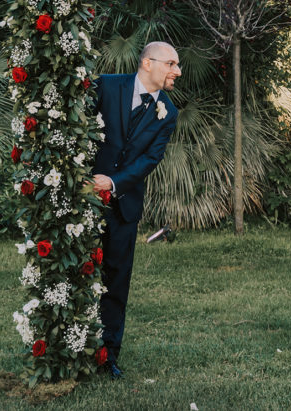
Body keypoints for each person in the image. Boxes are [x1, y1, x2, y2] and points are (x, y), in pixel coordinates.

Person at [91, 41, 181, 379]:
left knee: (116, 281)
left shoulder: (167, 112)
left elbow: (149, 160)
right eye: (171, 64)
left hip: (124, 206)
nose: (177, 71)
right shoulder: (106, 86)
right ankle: (68, 349)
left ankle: (107, 356)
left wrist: (112, 183)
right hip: (83, 199)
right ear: (147, 63)